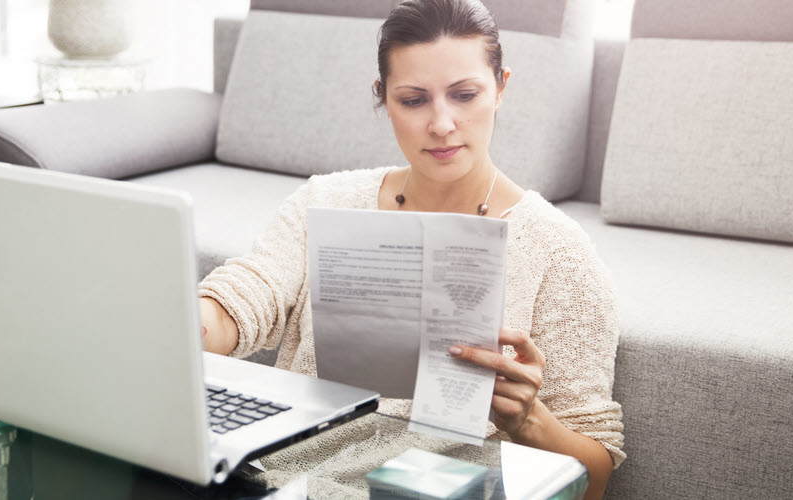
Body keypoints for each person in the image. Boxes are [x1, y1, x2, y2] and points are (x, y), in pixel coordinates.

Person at [198, 0, 624, 498]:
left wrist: (528, 422)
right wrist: (191, 327)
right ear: (382, 97)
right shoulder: (326, 200)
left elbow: (594, 479)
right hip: (286, 482)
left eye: (465, 95)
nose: (442, 124)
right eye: (414, 100)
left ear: (501, 87)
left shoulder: (560, 253)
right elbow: (249, 294)